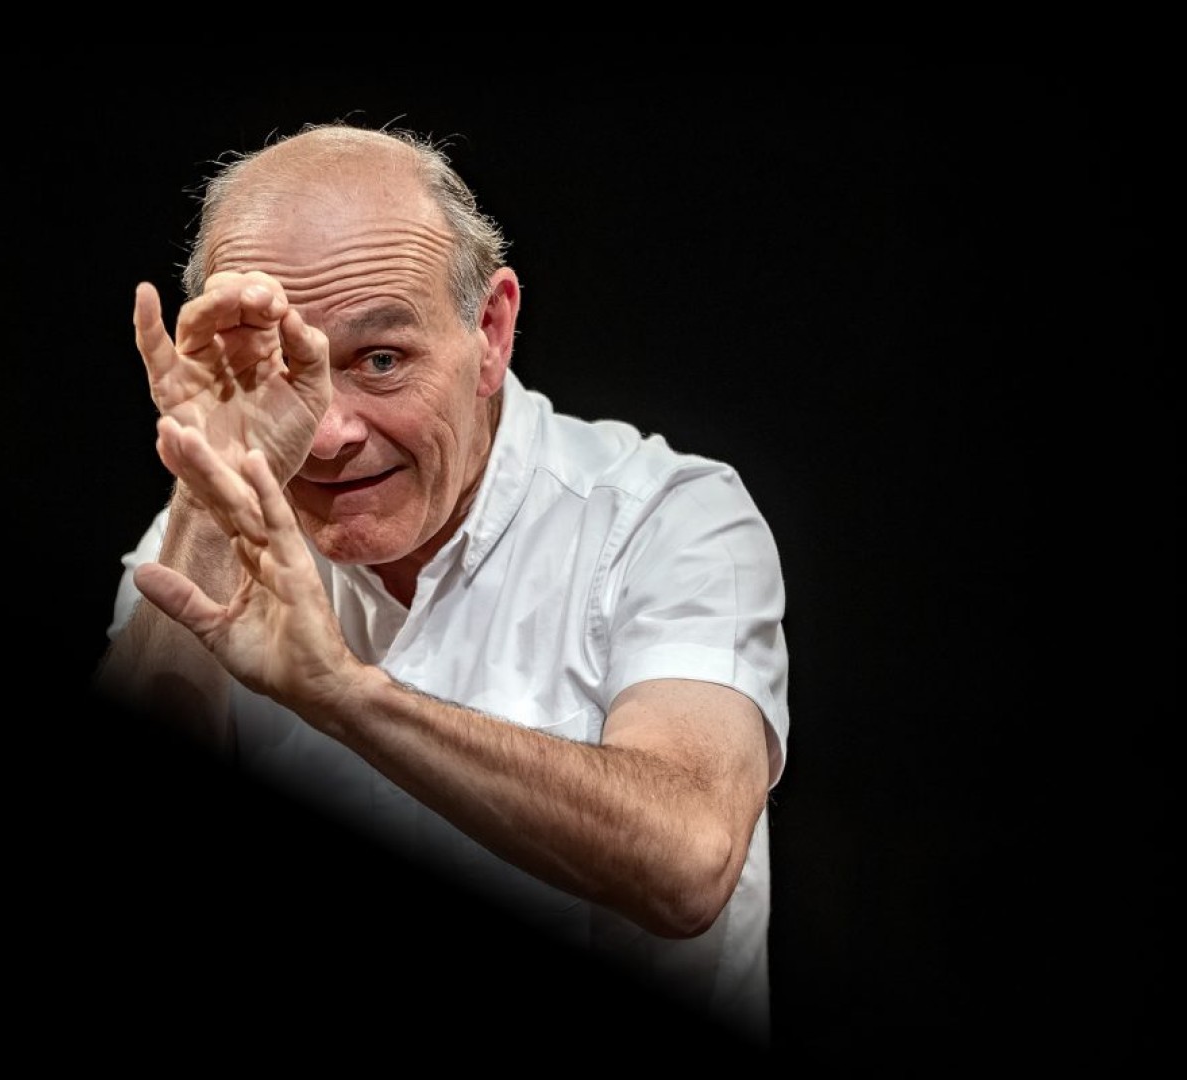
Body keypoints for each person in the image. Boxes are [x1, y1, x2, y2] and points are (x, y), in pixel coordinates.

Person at [96, 120, 791, 1048]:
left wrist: (347, 696)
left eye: (381, 361)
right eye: (281, 366)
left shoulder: (668, 520)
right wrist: (210, 476)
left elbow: (690, 865)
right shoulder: (203, 534)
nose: (331, 432)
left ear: (491, 331)